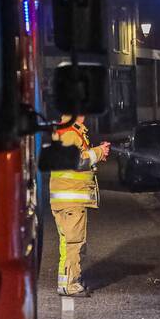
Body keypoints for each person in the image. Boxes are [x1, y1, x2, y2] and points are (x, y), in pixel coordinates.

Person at [49, 115, 110, 296]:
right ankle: (70, 284)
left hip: (65, 199)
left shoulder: (67, 131)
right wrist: (98, 152)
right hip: (71, 200)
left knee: (66, 243)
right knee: (75, 243)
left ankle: (65, 282)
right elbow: (76, 161)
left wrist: (97, 153)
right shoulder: (70, 133)